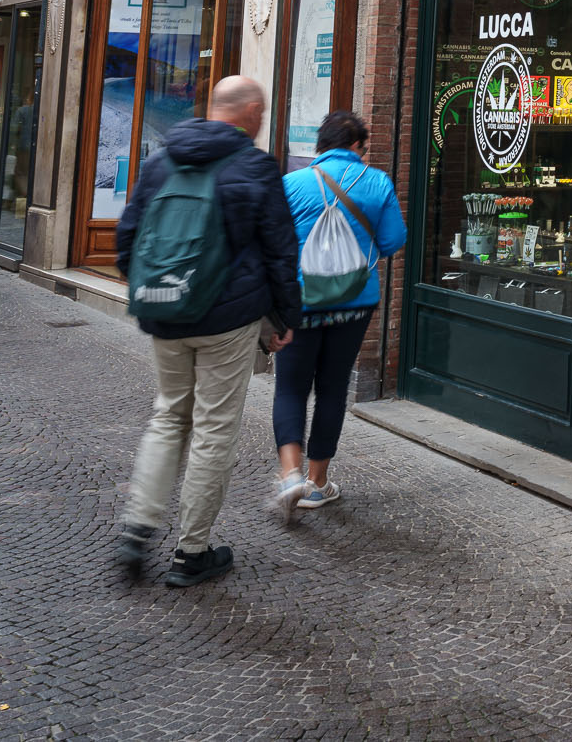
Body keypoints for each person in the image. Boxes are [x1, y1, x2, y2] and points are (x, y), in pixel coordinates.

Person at [111, 75, 299, 588]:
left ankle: (137, 529)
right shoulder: (256, 166)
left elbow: (127, 235)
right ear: (251, 112)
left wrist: (150, 287)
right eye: (260, 113)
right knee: (214, 428)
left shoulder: (161, 159)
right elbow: (281, 252)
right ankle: (192, 552)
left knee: (169, 414)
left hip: (166, 313)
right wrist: (285, 321)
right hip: (228, 319)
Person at [271, 111, 407, 521]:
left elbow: (274, 244)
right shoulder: (377, 183)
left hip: (301, 304)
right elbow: (393, 240)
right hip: (354, 302)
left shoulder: (292, 183)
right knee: (332, 390)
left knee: (291, 388)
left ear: (321, 145)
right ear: (356, 146)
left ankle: (290, 473)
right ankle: (317, 483)